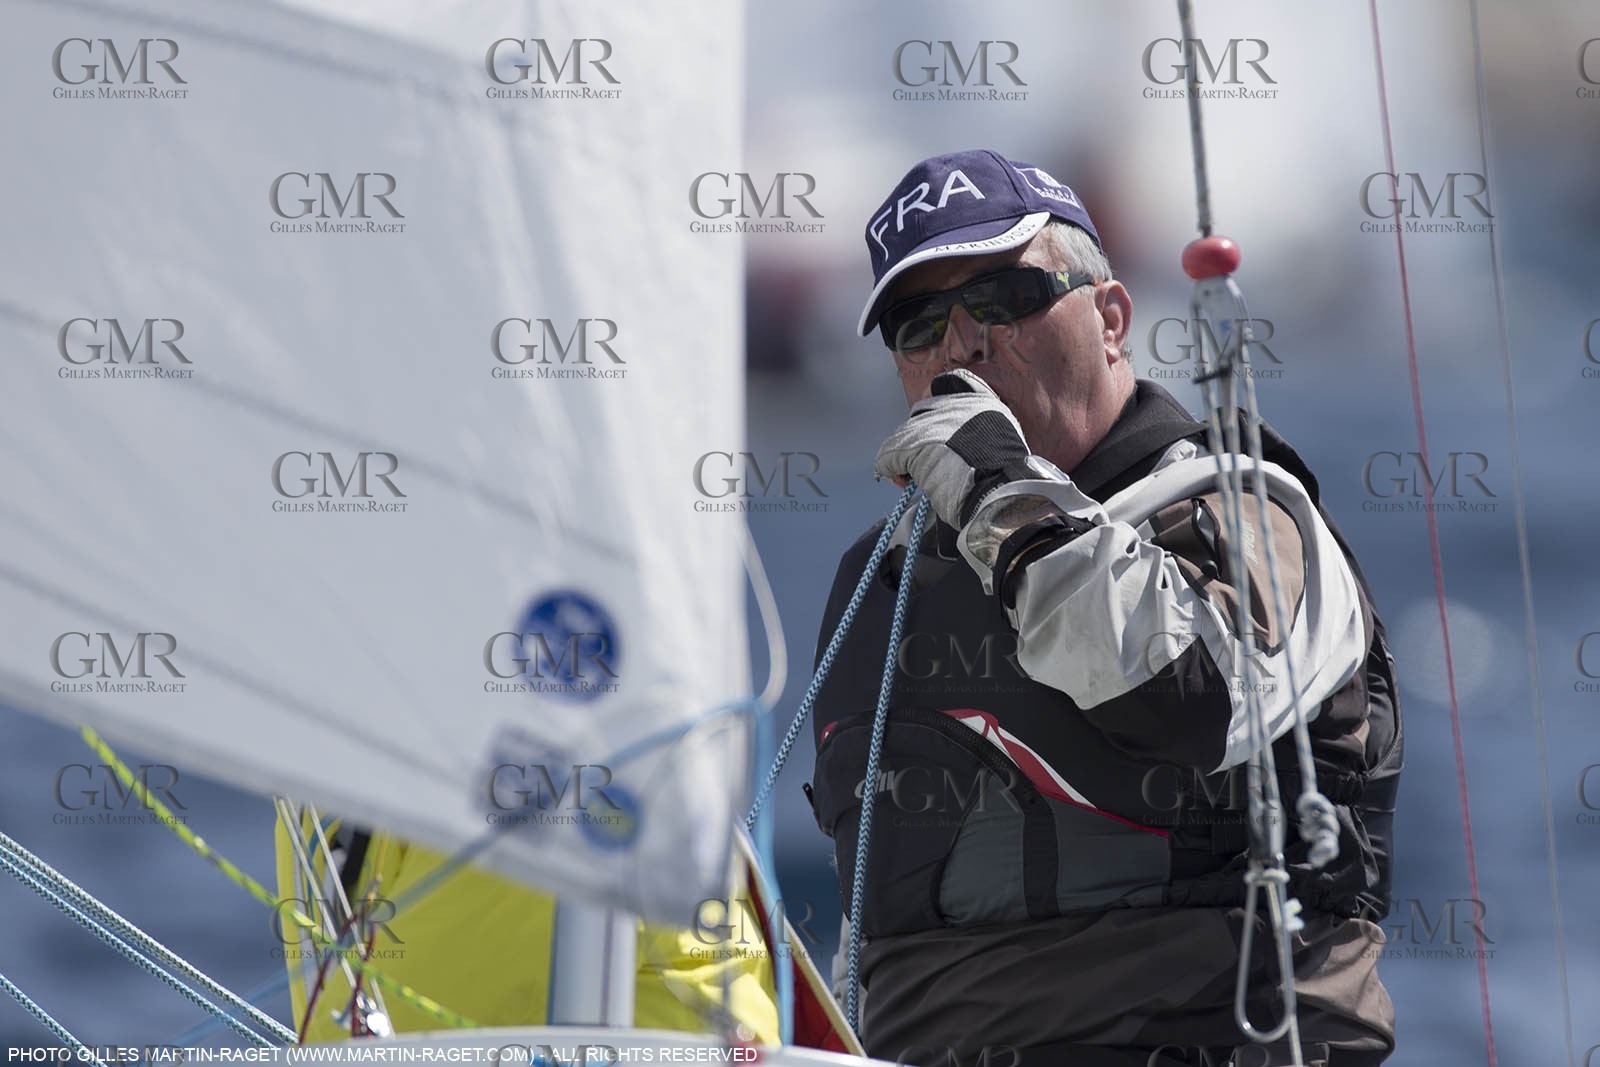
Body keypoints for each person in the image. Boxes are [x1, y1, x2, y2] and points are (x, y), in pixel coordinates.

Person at [806, 150, 1404, 1067]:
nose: (963, 344)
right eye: (919, 322)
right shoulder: (880, 583)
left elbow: (1191, 697)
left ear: (1112, 319)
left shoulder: (1243, 507)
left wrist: (1005, 494)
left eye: (1004, 298)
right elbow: (875, 920)